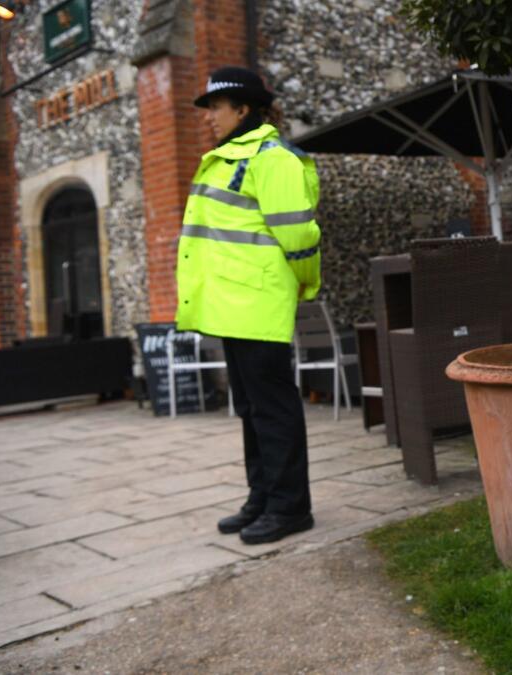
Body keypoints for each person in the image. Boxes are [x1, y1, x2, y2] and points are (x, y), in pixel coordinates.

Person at [177, 66, 321, 544]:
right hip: (233, 306)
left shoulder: (270, 156)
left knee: (273, 409)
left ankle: (290, 508)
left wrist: (304, 285)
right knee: (251, 409)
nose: (209, 117)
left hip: (257, 302)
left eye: (215, 107)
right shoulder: (226, 157)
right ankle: (262, 497)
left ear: (242, 108)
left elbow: (299, 235)